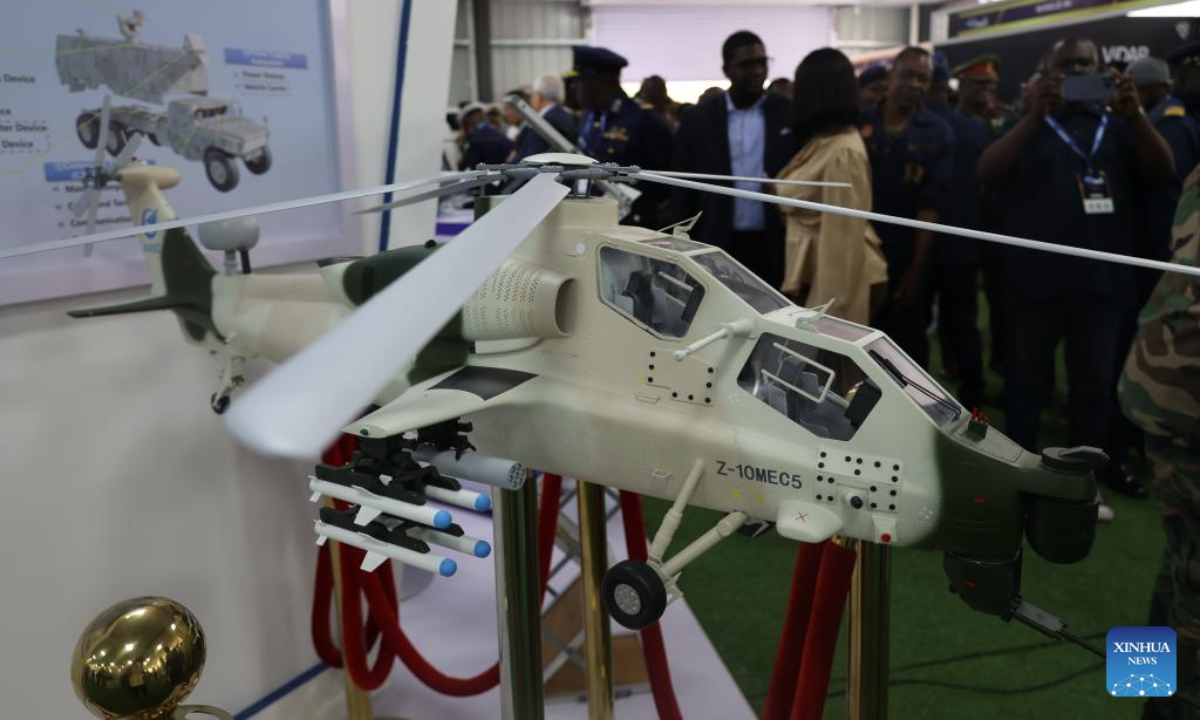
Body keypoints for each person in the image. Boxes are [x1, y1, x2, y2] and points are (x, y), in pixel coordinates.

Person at [976, 38, 1174, 498]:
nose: (1078, 70)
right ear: (1048, 74)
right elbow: (986, 172)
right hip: (1035, 281)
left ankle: (1083, 481)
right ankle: (1019, 475)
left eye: (1087, 63)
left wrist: (1134, 113)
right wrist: (1033, 115)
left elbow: (1163, 168)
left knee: (1093, 387)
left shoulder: (1119, 124)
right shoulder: (1030, 122)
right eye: (1067, 66)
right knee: (1027, 383)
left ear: (1103, 69)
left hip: (1101, 284)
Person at [1119, 163, 1200, 719]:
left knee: (1180, 556)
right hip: (1188, 394)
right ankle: (1168, 707)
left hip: (1164, 387)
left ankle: (1141, 689)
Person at [671, 31, 795, 287]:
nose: (758, 71)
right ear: (727, 70)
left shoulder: (787, 113)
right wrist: (683, 245)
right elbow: (683, 189)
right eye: (747, 65)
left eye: (762, 62)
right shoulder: (699, 119)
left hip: (775, 243)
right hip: (717, 242)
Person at [773, 48, 887, 325]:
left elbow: (842, 249)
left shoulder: (842, 153)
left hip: (833, 290)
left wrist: (820, 321)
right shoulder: (825, 140)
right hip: (814, 280)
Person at [860, 47, 953, 368]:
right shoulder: (860, 123)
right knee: (859, 347)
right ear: (890, 77)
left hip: (907, 256)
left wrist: (916, 270)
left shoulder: (938, 130)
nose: (915, 84)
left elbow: (932, 204)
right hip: (860, 252)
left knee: (908, 354)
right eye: (908, 75)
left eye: (923, 79)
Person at [925, 52, 987, 410]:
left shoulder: (918, 123)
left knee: (912, 332)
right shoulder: (972, 127)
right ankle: (974, 403)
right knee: (964, 328)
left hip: (920, 245)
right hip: (961, 246)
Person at [573, 45, 673, 228]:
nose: (575, 86)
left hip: (630, 224)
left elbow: (665, 181)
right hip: (588, 218)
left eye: (582, 79)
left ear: (604, 80)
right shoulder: (588, 117)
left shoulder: (643, 120)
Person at [513, 73, 580, 160]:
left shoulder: (545, 122)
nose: (530, 99)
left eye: (532, 95)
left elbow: (530, 159)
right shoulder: (568, 116)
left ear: (539, 96)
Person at [953, 54, 1005, 136]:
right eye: (980, 82)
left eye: (991, 82)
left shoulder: (1001, 117)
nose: (987, 87)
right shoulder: (951, 124)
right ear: (961, 85)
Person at [458, 102, 514, 170]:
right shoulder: (492, 133)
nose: (481, 116)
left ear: (466, 120)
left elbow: (469, 162)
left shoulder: (475, 138)